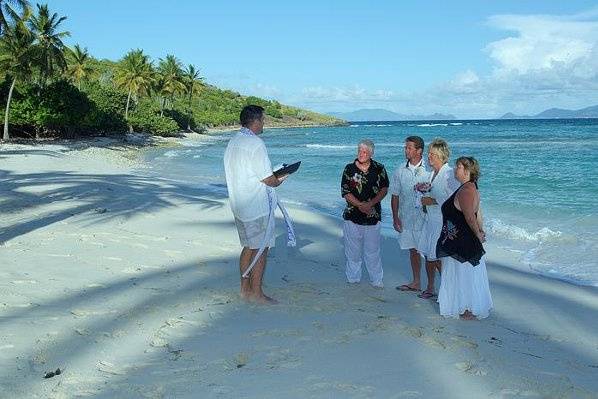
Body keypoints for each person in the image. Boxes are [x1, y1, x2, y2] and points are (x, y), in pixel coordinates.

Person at [223, 105, 287, 304]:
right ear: (256, 121)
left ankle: (245, 289)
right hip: (255, 205)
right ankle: (257, 293)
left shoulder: (234, 141)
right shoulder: (255, 143)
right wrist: (280, 178)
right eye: (263, 119)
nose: (264, 123)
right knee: (261, 248)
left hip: (239, 203)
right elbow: (268, 178)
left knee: (248, 247)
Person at [437, 156, 493, 319]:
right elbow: (478, 213)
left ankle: (466, 308)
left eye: (459, 167)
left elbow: (470, 217)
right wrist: (480, 230)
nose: (455, 169)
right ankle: (465, 307)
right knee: (463, 274)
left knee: (463, 274)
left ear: (467, 171)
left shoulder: (467, 190)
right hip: (460, 239)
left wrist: (478, 234)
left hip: (463, 241)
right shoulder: (470, 188)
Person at [341, 139, 389, 288]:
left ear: (371, 153)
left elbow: (384, 189)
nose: (361, 154)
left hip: (373, 216)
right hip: (352, 216)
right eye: (359, 151)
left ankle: (376, 280)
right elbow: (345, 192)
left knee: (373, 251)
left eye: (365, 152)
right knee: (353, 251)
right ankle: (353, 278)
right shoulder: (349, 169)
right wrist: (360, 205)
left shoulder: (379, 168)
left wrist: (371, 204)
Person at [416, 138, 458, 299]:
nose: (429, 157)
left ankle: (448, 291)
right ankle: (430, 287)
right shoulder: (430, 174)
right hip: (429, 221)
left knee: (440, 258)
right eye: (428, 154)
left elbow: (456, 199)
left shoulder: (449, 174)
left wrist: (433, 201)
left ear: (441, 156)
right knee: (428, 255)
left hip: (442, 222)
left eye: (432, 154)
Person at [390, 136, 429, 292]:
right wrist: (395, 217)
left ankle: (435, 286)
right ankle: (416, 282)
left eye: (409, 148)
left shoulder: (430, 169)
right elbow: (394, 194)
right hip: (406, 217)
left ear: (419, 150)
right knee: (413, 250)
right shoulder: (400, 170)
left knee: (430, 253)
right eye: (405, 147)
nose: (406, 150)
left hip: (426, 219)